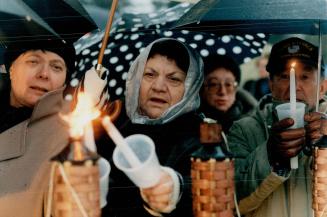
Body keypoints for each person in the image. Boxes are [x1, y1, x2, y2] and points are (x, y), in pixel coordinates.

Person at [97, 38, 204, 217]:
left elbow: (204, 185)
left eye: (174, 79)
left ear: (190, 88)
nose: (158, 87)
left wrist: (174, 187)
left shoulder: (202, 135)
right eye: (149, 75)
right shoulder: (111, 122)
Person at [0, 39, 107, 217]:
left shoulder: (73, 134)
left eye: (56, 67)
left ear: (65, 80)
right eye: (33, 61)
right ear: (11, 69)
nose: (44, 74)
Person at [228, 37, 327, 217]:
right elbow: (233, 203)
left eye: (305, 77)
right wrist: (271, 157)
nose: (294, 86)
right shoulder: (244, 129)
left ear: (323, 86)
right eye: (284, 76)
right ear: (271, 85)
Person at [199, 54, 257, 132]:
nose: (222, 92)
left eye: (228, 84)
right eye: (213, 84)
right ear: (201, 88)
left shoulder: (254, 125)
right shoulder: (186, 126)